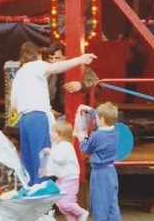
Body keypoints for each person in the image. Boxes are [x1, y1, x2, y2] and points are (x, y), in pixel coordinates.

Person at [10, 42, 96, 186]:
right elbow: (54, 68)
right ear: (37, 55)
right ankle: (43, 190)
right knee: (42, 156)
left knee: (29, 158)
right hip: (38, 117)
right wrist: (80, 59)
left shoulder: (19, 73)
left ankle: (30, 189)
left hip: (24, 118)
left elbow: (14, 104)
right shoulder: (37, 66)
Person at [76, 101, 123, 221]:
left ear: (101, 120)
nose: (95, 120)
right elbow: (104, 115)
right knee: (112, 200)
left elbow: (86, 149)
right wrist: (90, 110)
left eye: (97, 118)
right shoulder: (115, 132)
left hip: (99, 172)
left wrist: (81, 138)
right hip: (111, 171)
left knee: (98, 201)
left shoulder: (97, 136)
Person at [43, 120, 88, 221]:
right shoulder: (59, 146)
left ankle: (81, 212)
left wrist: (50, 152)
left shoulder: (66, 146)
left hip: (70, 179)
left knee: (66, 202)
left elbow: (60, 159)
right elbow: (55, 163)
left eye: (54, 132)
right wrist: (47, 171)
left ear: (61, 135)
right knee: (59, 201)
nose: (51, 134)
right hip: (62, 179)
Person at [123, 32, 148, 102]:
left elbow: (144, 59)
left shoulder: (139, 48)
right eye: (130, 39)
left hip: (135, 68)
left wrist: (138, 64)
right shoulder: (130, 48)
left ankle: (130, 99)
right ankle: (128, 98)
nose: (131, 41)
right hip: (129, 69)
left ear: (137, 40)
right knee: (128, 84)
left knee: (132, 84)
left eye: (133, 39)